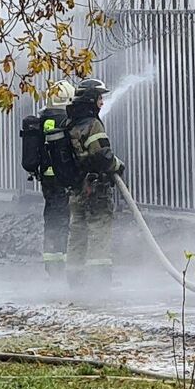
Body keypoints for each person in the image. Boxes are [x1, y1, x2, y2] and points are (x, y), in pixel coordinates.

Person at [64, 78, 124, 285]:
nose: (102, 103)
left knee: (77, 231)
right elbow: (102, 155)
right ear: (91, 100)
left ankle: (74, 279)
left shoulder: (69, 123)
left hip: (77, 189)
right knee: (99, 229)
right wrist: (118, 165)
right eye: (99, 98)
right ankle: (100, 281)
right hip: (96, 189)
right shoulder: (93, 124)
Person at [29, 80, 77, 277]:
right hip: (61, 179)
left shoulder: (43, 119)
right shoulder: (64, 120)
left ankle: (52, 263)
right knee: (64, 220)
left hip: (47, 180)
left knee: (52, 219)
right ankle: (63, 265)